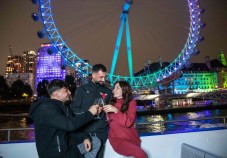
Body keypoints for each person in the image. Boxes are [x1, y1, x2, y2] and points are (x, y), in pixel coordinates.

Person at [29, 79, 100, 158]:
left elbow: (72, 127)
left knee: (95, 141)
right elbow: (70, 125)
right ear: (57, 94)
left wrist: (84, 137)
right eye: (66, 90)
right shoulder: (45, 109)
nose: (69, 92)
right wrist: (90, 113)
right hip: (55, 154)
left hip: (67, 147)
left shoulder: (63, 107)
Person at [71, 64, 112, 158]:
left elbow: (110, 110)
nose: (103, 80)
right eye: (101, 77)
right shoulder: (81, 90)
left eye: (104, 77)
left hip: (101, 131)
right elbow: (74, 110)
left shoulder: (108, 91)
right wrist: (89, 112)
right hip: (85, 131)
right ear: (93, 75)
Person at [103, 81, 147, 158]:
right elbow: (107, 121)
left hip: (132, 138)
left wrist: (116, 110)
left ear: (124, 90)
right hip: (117, 140)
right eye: (114, 88)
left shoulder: (131, 103)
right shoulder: (110, 103)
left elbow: (128, 123)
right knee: (141, 154)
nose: (114, 90)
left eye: (117, 88)